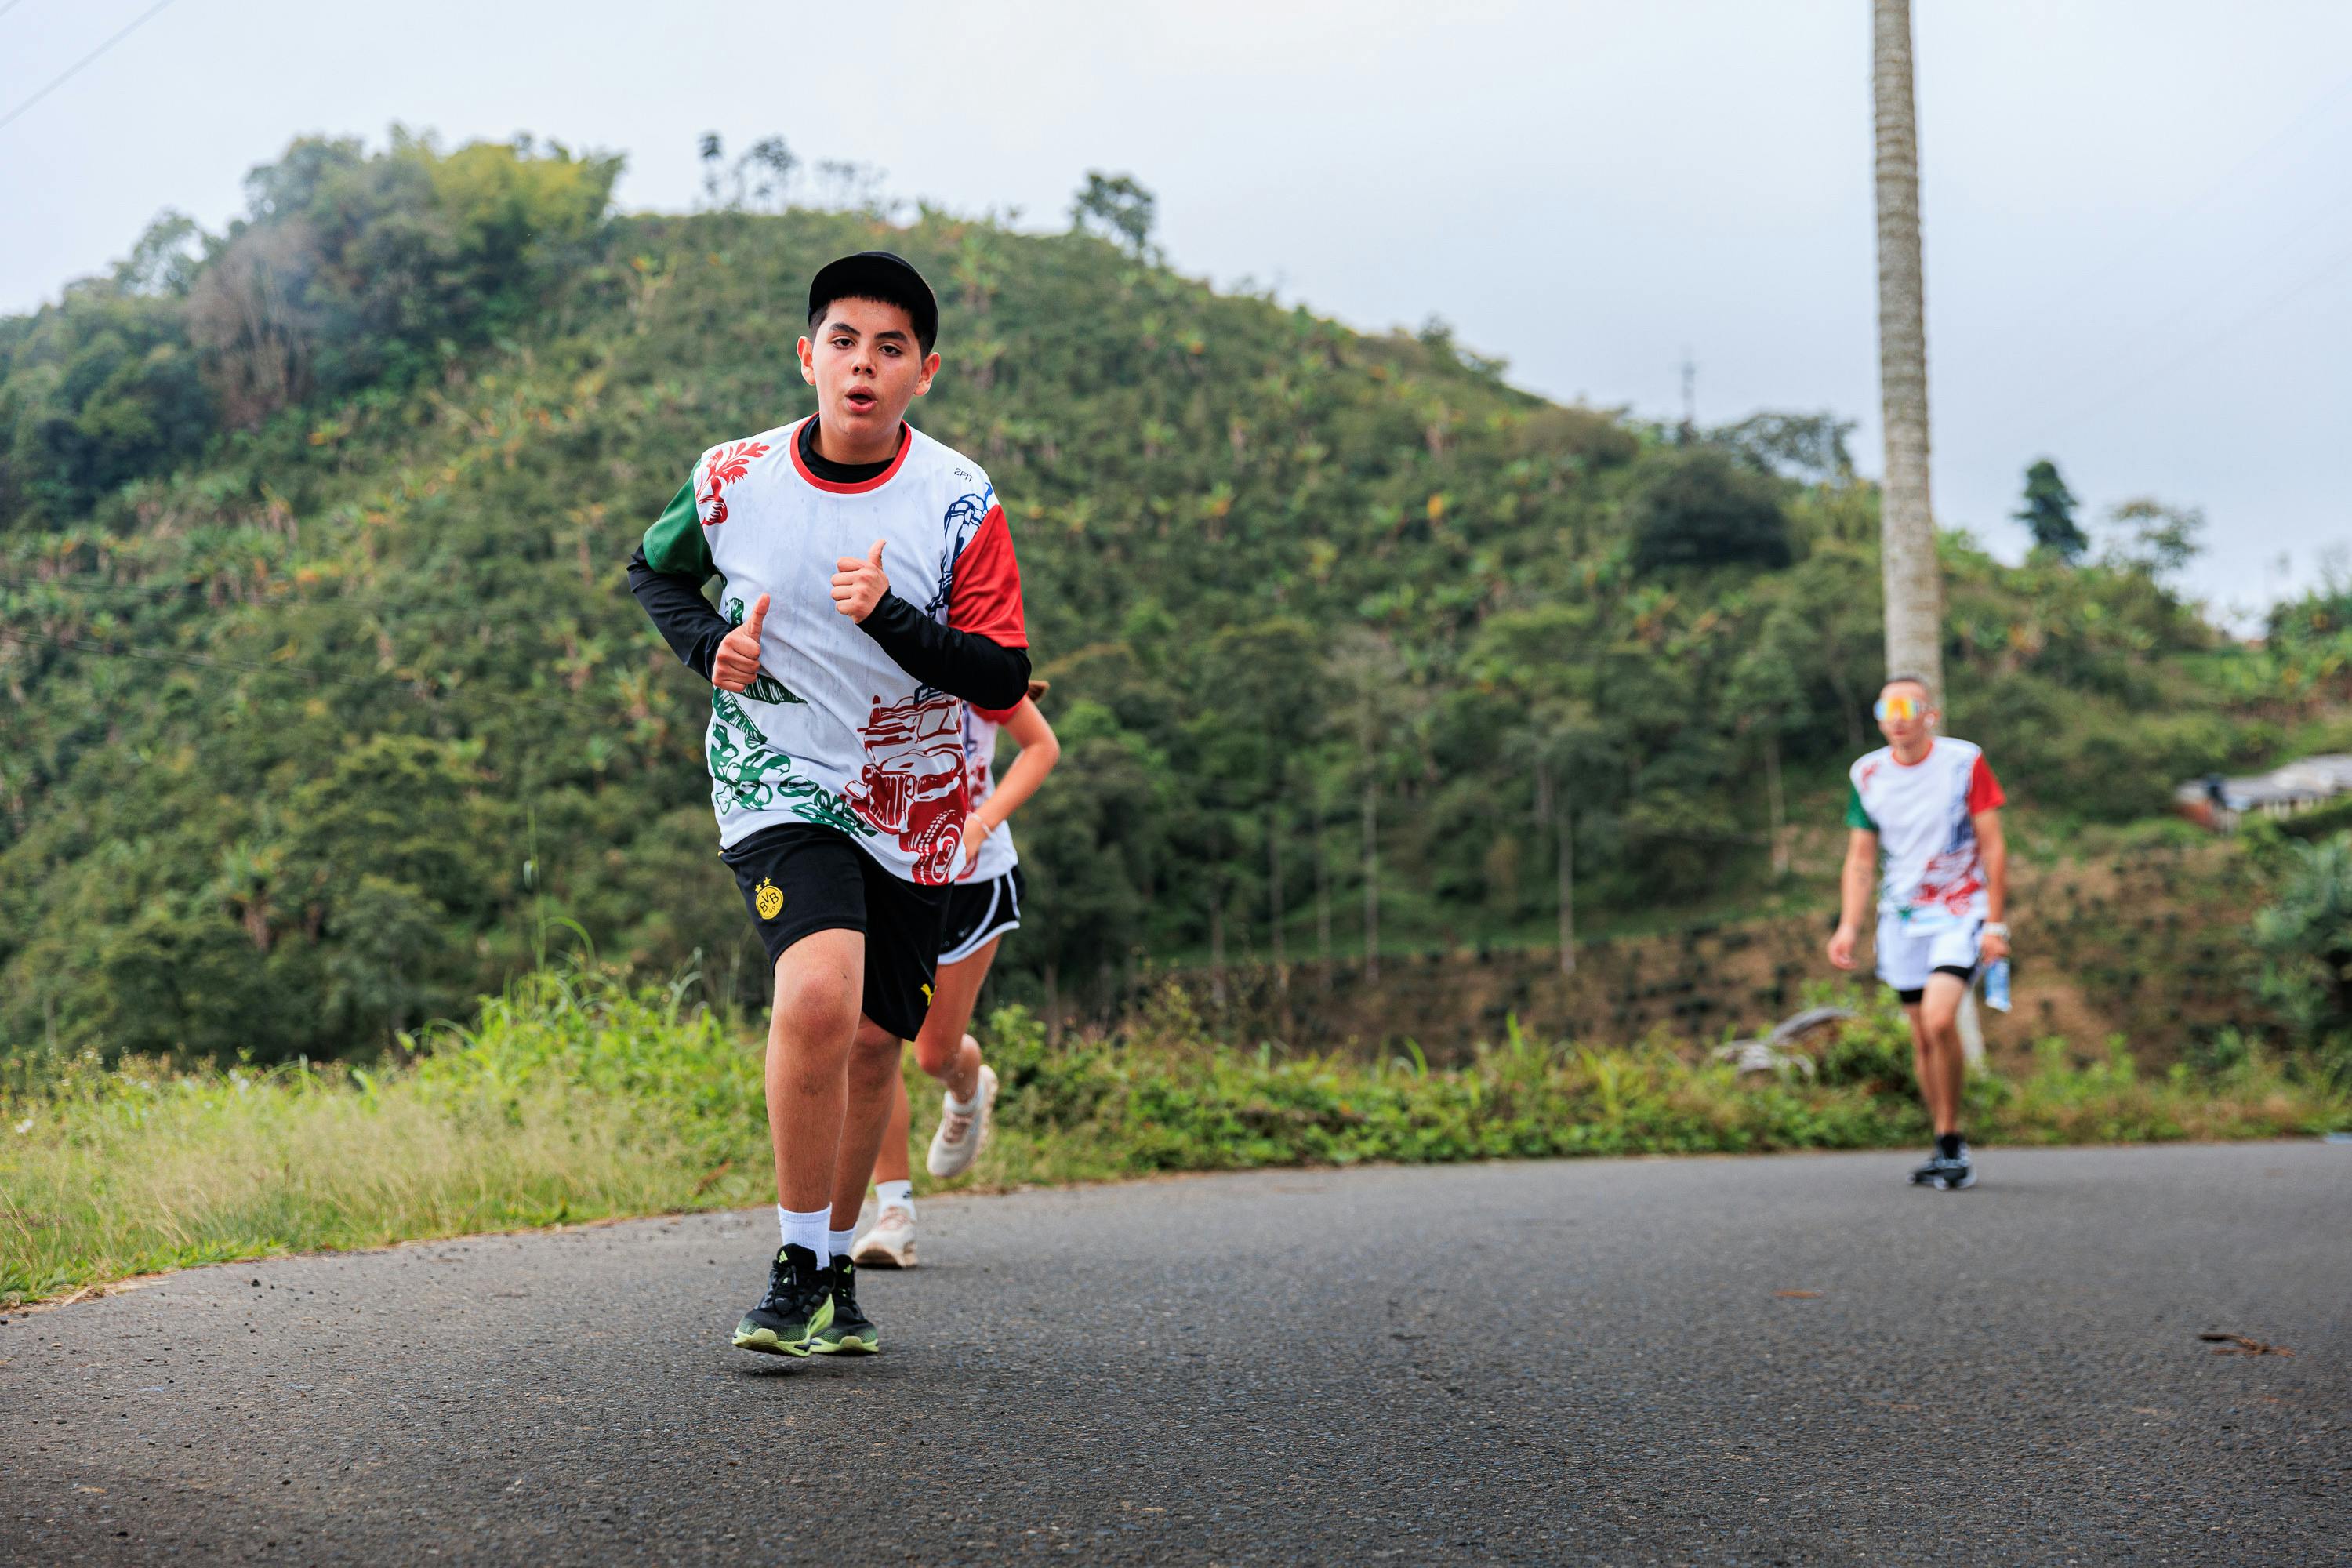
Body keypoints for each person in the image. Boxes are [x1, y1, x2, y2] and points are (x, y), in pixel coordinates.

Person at [626, 251, 1029, 1356]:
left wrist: (894, 618)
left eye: (890, 348)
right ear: (807, 357)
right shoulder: (732, 478)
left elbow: (1001, 674)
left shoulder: (957, 498)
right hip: (780, 779)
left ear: (924, 373)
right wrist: (713, 649)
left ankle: (834, 1272)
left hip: (921, 807)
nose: (863, 365)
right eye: (843, 341)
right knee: (815, 998)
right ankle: (799, 1263)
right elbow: (653, 571)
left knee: (872, 1043)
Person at [853, 682, 1061, 1268]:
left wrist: (981, 824)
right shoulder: (869, 658)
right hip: (890, 873)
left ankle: (969, 1091)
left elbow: (1041, 746)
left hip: (972, 883)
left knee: (932, 1053)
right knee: (875, 1036)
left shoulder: (972, 666)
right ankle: (894, 1212)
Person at [1826, 676, 2009, 1191]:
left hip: (1960, 910)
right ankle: (1945, 1142)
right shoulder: (1867, 774)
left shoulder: (1963, 762)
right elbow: (1861, 860)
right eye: (1888, 707)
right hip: (1902, 918)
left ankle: (1952, 1142)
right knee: (1920, 1034)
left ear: (1931, 714)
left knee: (1938, 1018)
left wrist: (1995, 923)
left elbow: (1993, 846)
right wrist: (1848, 926)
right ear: (1880, 716)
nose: (1899, 716)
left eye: (1909, 706)